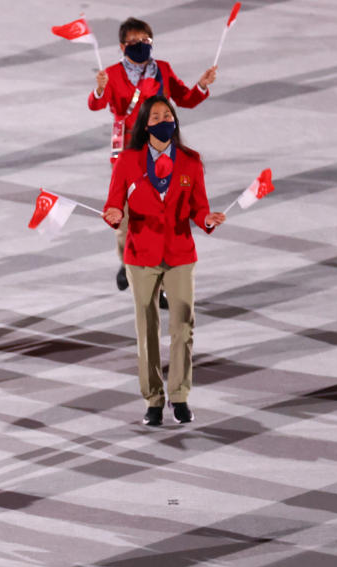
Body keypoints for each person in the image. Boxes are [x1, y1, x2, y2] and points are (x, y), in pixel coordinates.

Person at [102, 97, 225, 427]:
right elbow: (113, 205)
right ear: (144, 124)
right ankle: (153, 399)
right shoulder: (127, 161)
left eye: (167, 114)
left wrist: (207, 218)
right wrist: (113, 215)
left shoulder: (190, 161)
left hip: (179, 252)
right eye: (155, 116)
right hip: (141, 254)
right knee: (147, 328)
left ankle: (180, 395)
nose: (162, 120)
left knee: (183, 323)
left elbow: (199, 208)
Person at [88, 17, 216, 294]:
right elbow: (97, 104)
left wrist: (202, 86)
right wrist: (99, 88)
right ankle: (127, 260)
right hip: (131, 149)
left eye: (146, 41)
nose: (141, 46)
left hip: (163, 147)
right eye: (135, 42)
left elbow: (184, 98)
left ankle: (164, 282)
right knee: (126, 212)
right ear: (123, 46)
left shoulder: (163, 69)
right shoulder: (111, 73)